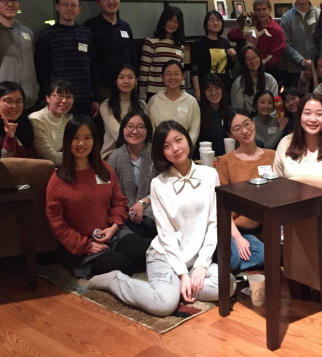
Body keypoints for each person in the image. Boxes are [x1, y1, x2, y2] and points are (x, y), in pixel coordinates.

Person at [86, 120, 237, 317]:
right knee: (164, 305)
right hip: (165, 255)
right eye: (167, 146)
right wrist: (182, 274)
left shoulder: (209, 174)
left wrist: (200, 267)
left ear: (187, 139)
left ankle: (178, 287)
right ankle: (114, 280)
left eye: (178, 140)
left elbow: (213, 223)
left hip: (196, 260)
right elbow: (165, 234)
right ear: (161, 152)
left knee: (228, 285)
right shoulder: (159, 184)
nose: (175, 148)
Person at [45, 115, 151, 279]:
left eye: (87, 137)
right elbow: (56, 223)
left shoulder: (104, 169)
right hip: (83, 244)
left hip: (113, 232)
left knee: (146, 251)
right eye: (76, 138)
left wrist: (114, 226)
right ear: (67, 141)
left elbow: (119, 201)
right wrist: (86, 245)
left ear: (94, 140)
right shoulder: (58, 179)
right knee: (123, 266)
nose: (81, 143)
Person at [216, 110, 270, 273]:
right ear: (230, 134)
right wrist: (237, 237)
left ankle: (222, 263)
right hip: (230, 227)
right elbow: (221, 206)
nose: (245, 131)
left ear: (253, 122)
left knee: (266, 254)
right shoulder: (226, 161)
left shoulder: (272, 156)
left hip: (260, 228)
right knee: (231, 260)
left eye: (247, 124)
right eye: (237, 129)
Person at [35, 0, 100, 116]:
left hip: (84, 97)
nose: (69, 8)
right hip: (58, 99)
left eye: (73, 5)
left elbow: (93, 67)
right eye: (65, 4)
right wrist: (46, 97)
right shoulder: (47, 35)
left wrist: (96, 97)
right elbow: (43, 71)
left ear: (79, 9)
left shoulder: (87, 33)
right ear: (57, 7)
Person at [107, 110, 157, 239]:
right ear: (123, 129)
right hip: (124, 215)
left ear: (147, 130)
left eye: (140, 127)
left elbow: (165, 185)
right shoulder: (114, 157)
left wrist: (143, 203)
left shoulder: (156, 154)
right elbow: (111, 193)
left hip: (155, 211)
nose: (134, 131)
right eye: (130, 126)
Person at [84, 0, 137, 101]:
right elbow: (89, 60)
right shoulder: (91, 26)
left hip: (125, 85)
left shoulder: (125, 26)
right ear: (97, 2)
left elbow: (132, 55)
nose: (111, 1)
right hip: (103, 87)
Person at [98, 65, 147, 159]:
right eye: (121, 77)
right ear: (115, 81)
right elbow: (118, 133)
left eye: (130, 77)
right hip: (111, 154)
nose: (126, 81)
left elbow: (145, 131)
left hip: (138, 154)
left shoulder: (142, 105)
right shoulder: (106, 106)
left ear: (136, 80)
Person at [146, 61, 200, 144]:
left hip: (185, 148)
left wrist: (184, 146)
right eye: (168, 74)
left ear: (183, 76)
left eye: (176, 74)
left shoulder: (191, 101)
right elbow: (151, 130)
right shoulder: (154, 101)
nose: (173, 77)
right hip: (160, 148)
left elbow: (194, 131)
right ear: (162, 77)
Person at [226, 0, 285, 73]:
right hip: (247, 67)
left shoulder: (276, 30)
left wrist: (257, 65)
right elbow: (231, 35)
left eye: (264, 9)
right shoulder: (252, 23)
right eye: (258, 10)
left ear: (270, 10)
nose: (261, 12)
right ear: (254, 12)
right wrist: (245, 36)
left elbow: (275, 57)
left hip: (267, 70)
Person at [138, 5, 185, 99]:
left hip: (174, 92)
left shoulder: (180, 46)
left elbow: (181, 73)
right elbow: (144, 70)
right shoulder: (151, 42)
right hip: (154, 93)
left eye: (176, 22)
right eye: (169, 20)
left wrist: (183, 93)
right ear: (163, 21)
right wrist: (142, 94)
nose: (172, 24)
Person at [280, 0, 319, 89]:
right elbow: (285, 44)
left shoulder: (319, 14)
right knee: (297, 99)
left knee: (318, 98)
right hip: (295, 71)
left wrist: (313, 62)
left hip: (318, 69)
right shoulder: (286, 17)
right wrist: (303, 62)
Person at [190, 10, 236, 101]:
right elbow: (194, 69)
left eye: (219, 20)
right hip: (207, 87)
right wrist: (197, 90)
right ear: (206, 23)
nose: (216, 22)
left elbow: (229, 67)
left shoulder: (225, 42)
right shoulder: (199, 43)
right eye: (212, 20)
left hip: (224, 87)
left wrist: (233, 56)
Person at [29, 80, 74, 165]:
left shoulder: (68, 118)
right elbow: (52, 158)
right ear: (48, 98)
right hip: (39, 167)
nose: (64, 100)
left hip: (61, 166)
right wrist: (74, 156)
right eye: (59, 96)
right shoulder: (36, 119)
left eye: (68, 97)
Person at [230, 45, 278, 113]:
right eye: (248, 59)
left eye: (255, 57)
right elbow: (238, 110)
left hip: (270, 117)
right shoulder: (238, 84)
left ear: (260, 57)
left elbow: (276, 106)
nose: (252, 61)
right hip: (248, 118)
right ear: (243, 62)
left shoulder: (270, 79)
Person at [197, 74, 232, 156]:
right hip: (205, 158)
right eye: (209, 90)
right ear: (203, 93)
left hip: (228, 156)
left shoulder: (231, 112)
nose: (214, 93)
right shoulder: (198, 113)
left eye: (217, 88)